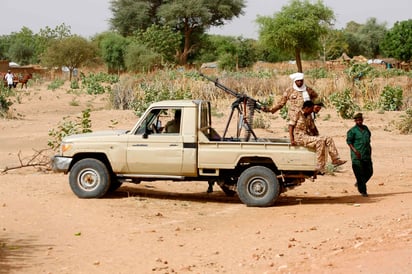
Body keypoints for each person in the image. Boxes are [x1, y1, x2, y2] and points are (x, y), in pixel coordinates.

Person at [289, 101, 346, 175]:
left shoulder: (308, 116)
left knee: (328, 138)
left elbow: (313, 128)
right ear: (306, 108)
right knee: (320, 141)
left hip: (307, 137)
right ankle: (320, 166)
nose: (312, 110)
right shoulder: (297, 113)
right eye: (311, 108)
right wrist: (292, 140)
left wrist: (318, 136)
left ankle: (335, 159)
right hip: (299, 138)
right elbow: (291, 126)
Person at [346, 113, 373, 197]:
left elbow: (368, 139)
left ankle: (359, 183)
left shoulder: (366, 129)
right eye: (357, 120)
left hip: (366, 154)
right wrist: (355, 151)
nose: (359, 121)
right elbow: (349, 142)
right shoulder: (352, 131)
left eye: (360, 120)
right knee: (359, 173)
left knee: (369, 172)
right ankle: (363, 191)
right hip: (357, 156)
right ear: (355, 121)